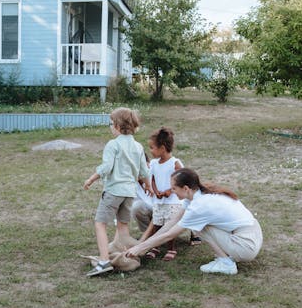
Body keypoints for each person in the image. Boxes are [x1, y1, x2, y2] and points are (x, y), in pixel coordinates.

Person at [125, 168, 263, 275]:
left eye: (174, 188)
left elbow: (170, 235)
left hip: (246, 245)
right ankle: (226, 258)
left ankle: (226, 263)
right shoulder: (196, 195)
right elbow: (172, 221)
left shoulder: (199, 206)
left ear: (185, 188)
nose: (172, 192)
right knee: (198, 224)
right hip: (252, 234)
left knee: (199, 227)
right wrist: (143, 244)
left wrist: (140, 248)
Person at [83, 107, 151, 277]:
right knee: (122, 228)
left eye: (111, 124)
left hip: (114, 191)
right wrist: (149, 186)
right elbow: (144, 171)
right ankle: (133, 253)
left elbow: (106, 167)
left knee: (100, 223)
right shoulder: (138, 146)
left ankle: (104, 261)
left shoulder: (113, 145)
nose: (110, 127)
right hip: (129, 193)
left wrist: (91, 178)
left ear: (118, 126)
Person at [141, 127, 184, 261]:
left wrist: (169, 191)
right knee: (157, 223)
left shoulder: (174, 163)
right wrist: (155, 190)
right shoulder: (154, 163)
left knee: (169, 224)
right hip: (158, 200)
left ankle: (171, 248)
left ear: (163, 148)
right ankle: (156, 246)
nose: (151, 151)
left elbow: (181, 179)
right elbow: (152, 178)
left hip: (172, 201)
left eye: (152, 148)